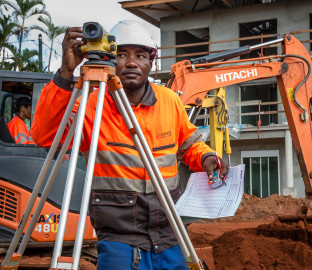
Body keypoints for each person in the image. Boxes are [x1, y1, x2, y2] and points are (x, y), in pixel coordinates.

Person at [31, 20, 229, 269]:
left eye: (140, 55)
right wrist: (65, 74)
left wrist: (206, 158)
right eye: (122, 55)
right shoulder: (92, 106)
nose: (132, 62)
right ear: (110, 60)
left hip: (170, 233)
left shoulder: (168, 101)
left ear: (151, 62)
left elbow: (189, 144)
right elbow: (45, 136)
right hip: (119, 237)